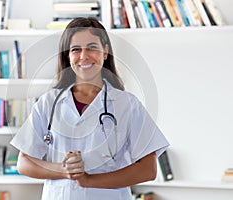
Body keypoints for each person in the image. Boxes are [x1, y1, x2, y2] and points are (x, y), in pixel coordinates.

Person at [10, 17, 169, 200]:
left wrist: (89, 180)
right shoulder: (49, 103)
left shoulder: (127, 104)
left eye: (92, 47)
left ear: (105, 52)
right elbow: (24, 162)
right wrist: (63, 170)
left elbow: (148, 170)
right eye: (75, 49)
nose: (84, 56)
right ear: (68, 56)